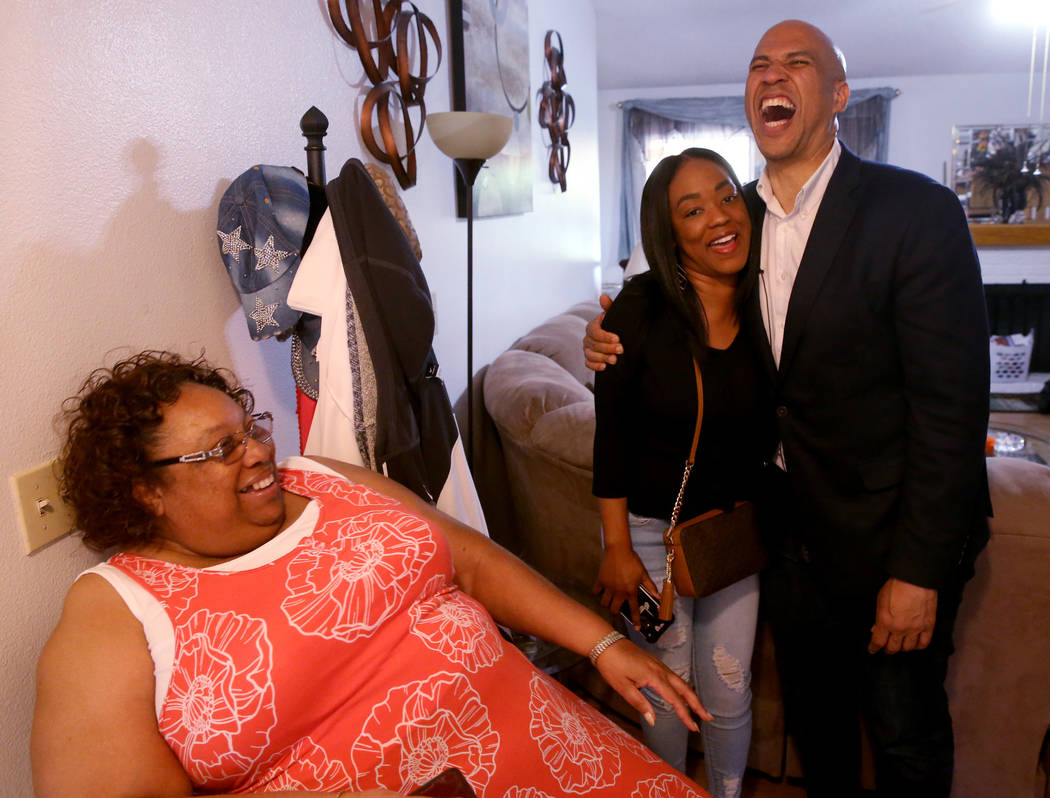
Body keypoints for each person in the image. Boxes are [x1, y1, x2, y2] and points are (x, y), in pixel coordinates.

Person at [584, 20, 991, 798]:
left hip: (886, 541)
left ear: (837, 96)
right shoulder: (740, 222)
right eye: (759, 65)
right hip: (783, 534)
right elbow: (668, 308)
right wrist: (601, 341)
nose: (774, 74)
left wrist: (917, 569)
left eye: (798, 63)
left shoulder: (916, 212)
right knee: (818, 727)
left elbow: (951, 407)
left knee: (902, 732)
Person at [31, 351, 716, 798]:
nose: (260, 452)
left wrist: (603, 643)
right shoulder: (117, 610)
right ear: (144, 491)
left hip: (561, 751)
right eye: (221, 449)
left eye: (252, 427)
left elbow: (470, 560)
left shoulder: (326, 479)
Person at [591, 148, 777, 798]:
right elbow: (608, 437)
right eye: (691, 210)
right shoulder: (637, 312)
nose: (718, 218)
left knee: (729, 688)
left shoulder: (769, 300)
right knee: (663, 689)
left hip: (731, 539)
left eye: (726, 195)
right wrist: (616, 547)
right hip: (645, 542)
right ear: (668, 233)